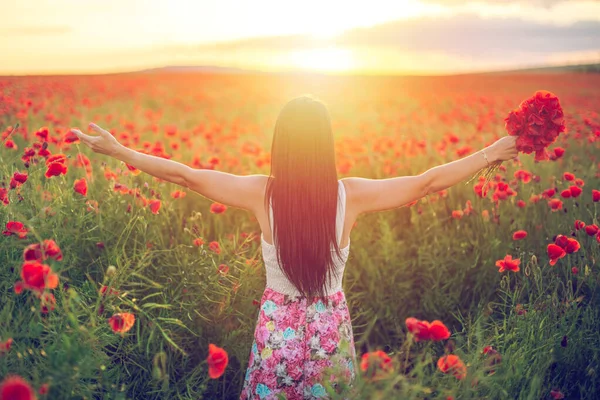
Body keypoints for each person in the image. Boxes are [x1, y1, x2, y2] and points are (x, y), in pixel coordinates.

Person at [71, 95, 517, 400]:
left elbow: (185, 175)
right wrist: (491, 152)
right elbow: (426, 182)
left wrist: (120, 150)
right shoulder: (351, 195)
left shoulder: (261, 193)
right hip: (329, 330)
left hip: (276, 327)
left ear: (280, 144)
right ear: (326, 144)